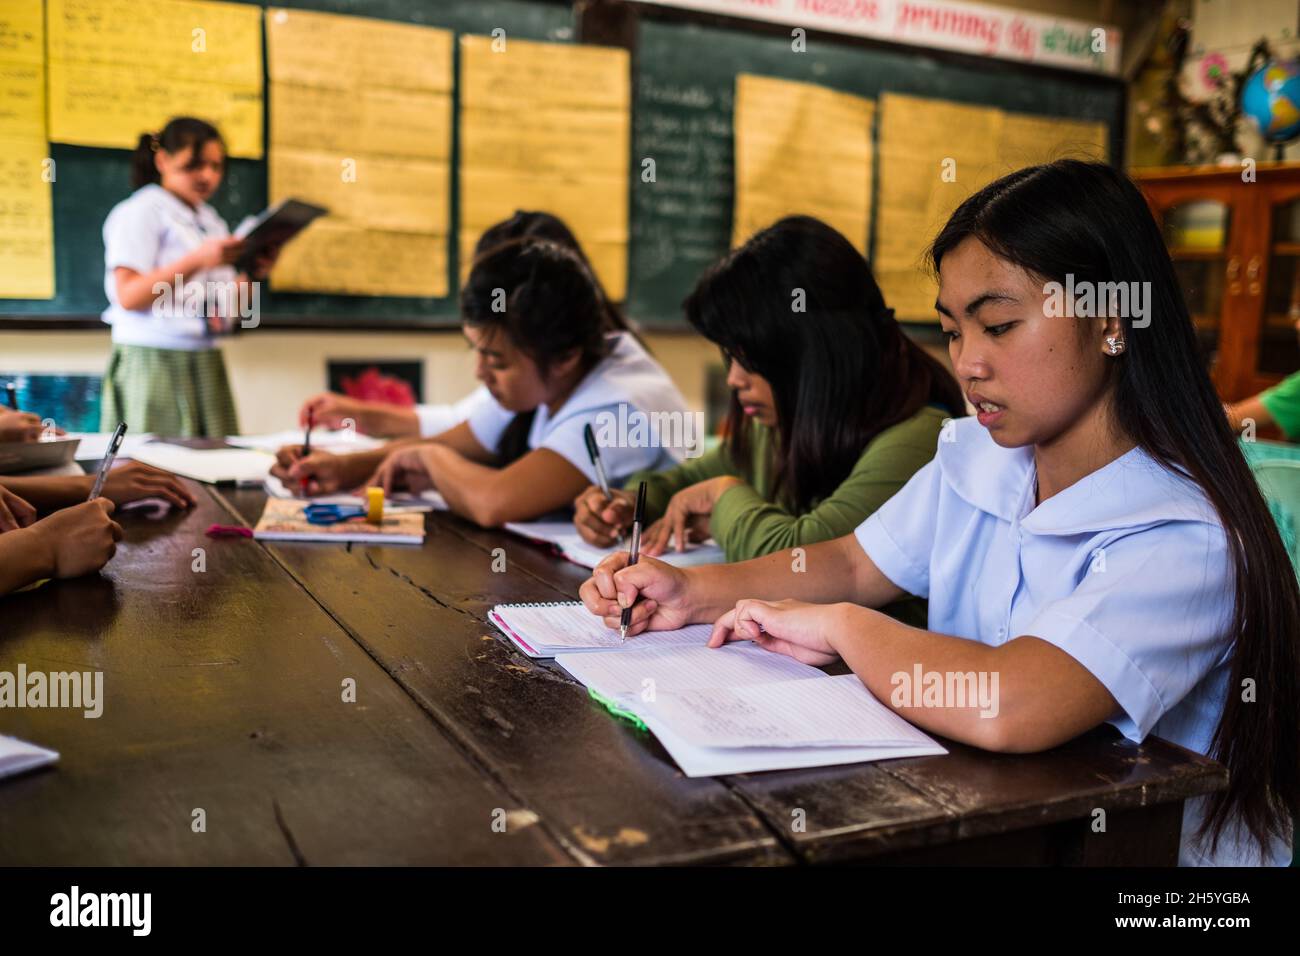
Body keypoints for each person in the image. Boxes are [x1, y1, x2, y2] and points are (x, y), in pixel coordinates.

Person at [580, 160, 1299, 867]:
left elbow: (1009, 701)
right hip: (988, 822)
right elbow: (855, 563)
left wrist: (843, 627)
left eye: (1000, 326)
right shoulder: (977, 456)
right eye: (954, 331)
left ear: (1112, 322)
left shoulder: (1189, 533)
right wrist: (690, 591)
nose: (968, 363)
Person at [572, 216, 962, 572]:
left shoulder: (921, 439)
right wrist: (626, 505)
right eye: (730, 358)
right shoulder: (780, 425)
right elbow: (684, 481)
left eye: (751, 359)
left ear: (818, 352)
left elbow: (803, 563)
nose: (734, 380)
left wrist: (724, 498)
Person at [273, 237, 690, 527]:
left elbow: (494, 502)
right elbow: (460, 439)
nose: (479, 371)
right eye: (476, 351)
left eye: (495, 360)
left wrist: (431, 460)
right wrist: (338, 467)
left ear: (564, 357)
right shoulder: (548, 372)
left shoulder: (617, 407)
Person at [100, 117, 277, 437]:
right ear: (163, 160)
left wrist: (251, 272)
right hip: (154, 359)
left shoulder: (210, 220)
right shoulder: (141, 211)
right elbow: (128, 295)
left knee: (215, 467)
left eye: (216, 166)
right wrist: (199, 260)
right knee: (155, 471)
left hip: (204, 359)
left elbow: (224, 314)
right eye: (194, 164)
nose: (207, 176)